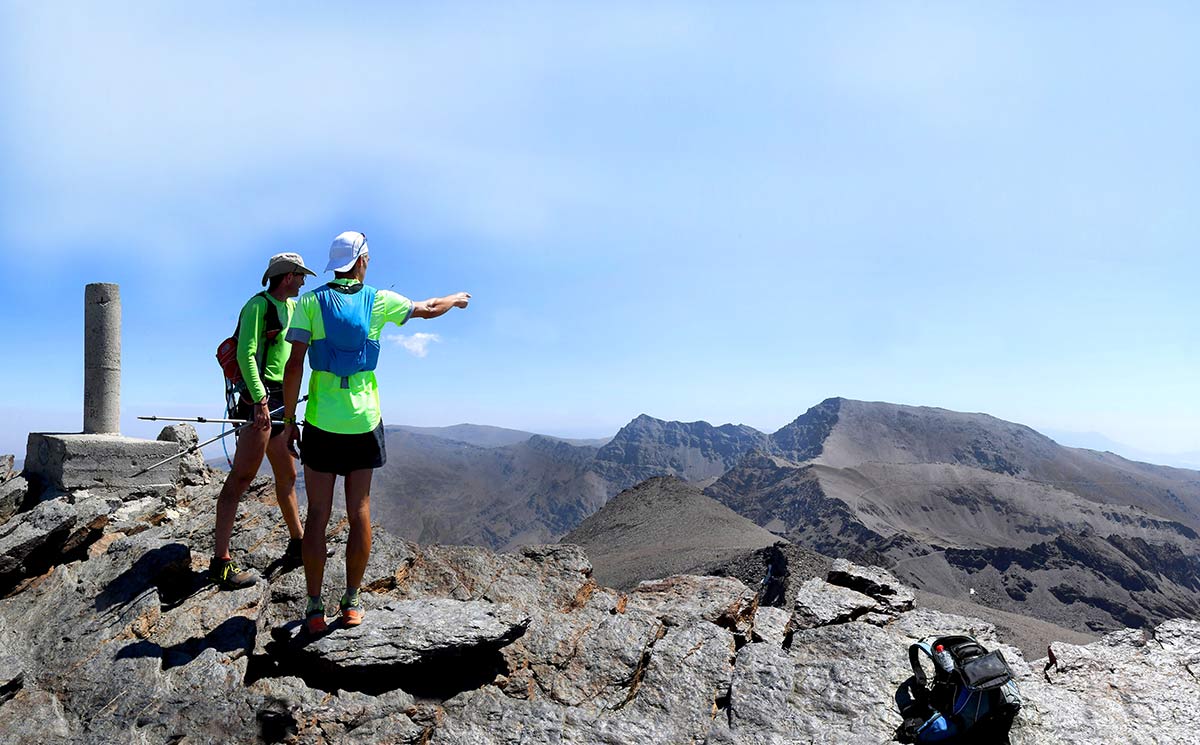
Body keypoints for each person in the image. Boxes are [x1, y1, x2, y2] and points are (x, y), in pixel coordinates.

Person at [282, 231, 470, 633]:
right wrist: (453, 299)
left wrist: (288, 423)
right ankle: (351, 602)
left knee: (316, 515)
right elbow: (428, 308)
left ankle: (315, 609)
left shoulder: (309, 303)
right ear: (362, 261)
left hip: (320, 421)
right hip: (363, 422)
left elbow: (294, 364)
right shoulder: (379, 301)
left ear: (335, 265)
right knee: (359, 512)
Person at [210, 252, 316, 589]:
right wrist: (258, 399)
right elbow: (246, 352)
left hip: (278, 401)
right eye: (300, 275)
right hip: (260, 402)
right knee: (241, 478)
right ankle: (221, 563)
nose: (303, 281)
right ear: (287, 276)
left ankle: (298, 544)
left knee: (287, 475)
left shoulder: (290, 309)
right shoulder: (259, 306)